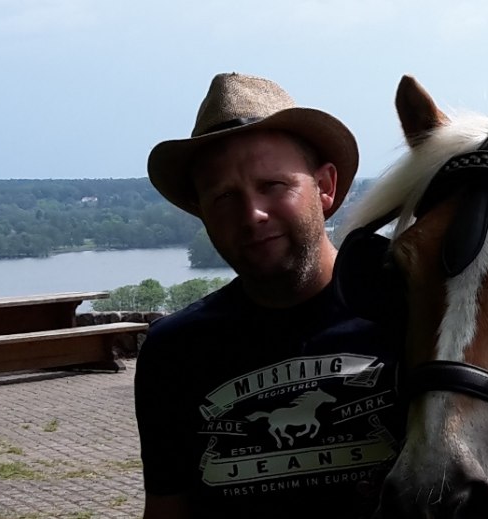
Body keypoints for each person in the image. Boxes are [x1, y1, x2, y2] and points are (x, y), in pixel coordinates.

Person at [135, 73, 394, 518]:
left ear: (326, 188)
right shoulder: (174, 353)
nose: (252, 214)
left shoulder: (409, 312)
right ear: (202, 213)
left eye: (273, 186)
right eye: (223, 197)